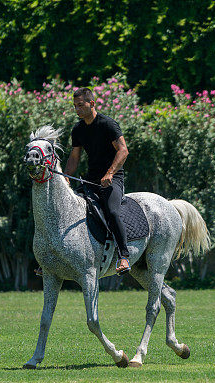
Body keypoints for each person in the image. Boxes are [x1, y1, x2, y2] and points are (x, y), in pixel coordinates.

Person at [68, 87, 131, 274]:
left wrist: (110, 173)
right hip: (90, 180)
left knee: (112, 211)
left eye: (81, 105)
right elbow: (74, 158)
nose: (77, 109)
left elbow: (123, 150)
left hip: (113, 178)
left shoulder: (108, 124)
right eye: (75, 106)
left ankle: (124, 257)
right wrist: (65, 179)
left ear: (92, 103)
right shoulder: (78, 129)